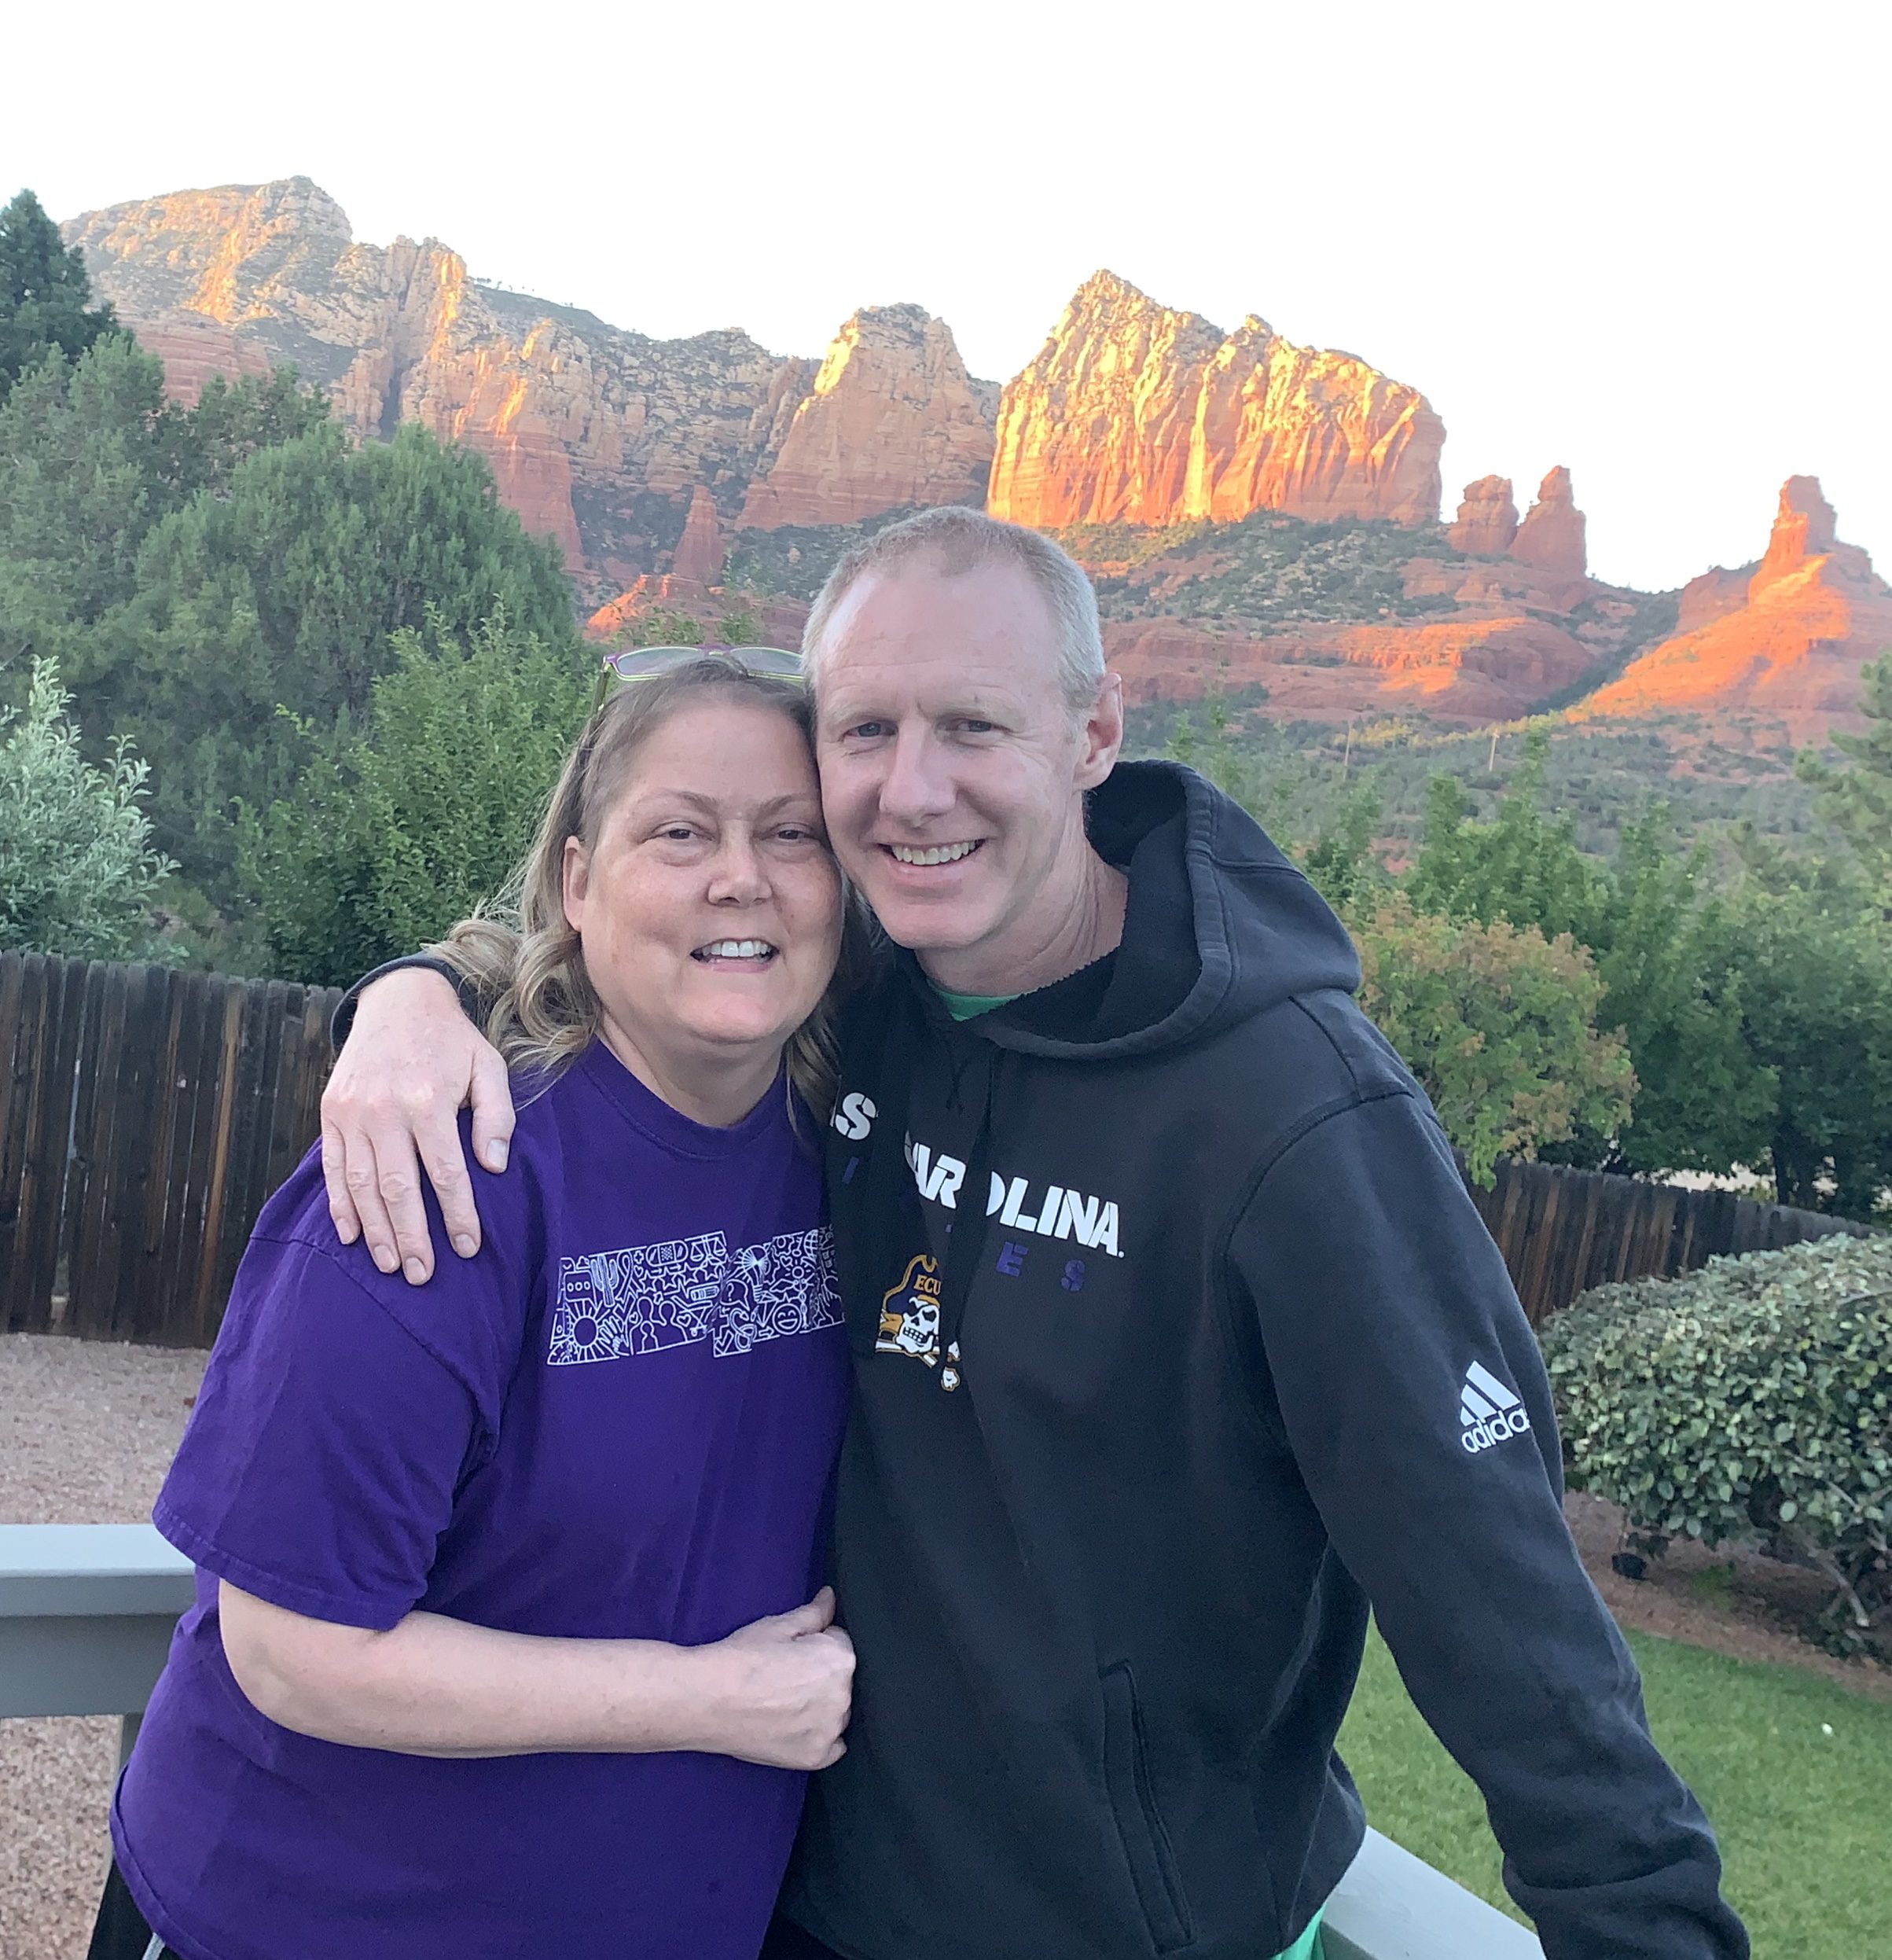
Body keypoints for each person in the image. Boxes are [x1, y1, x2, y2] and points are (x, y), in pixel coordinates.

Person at [325, 508, 1750, 1960]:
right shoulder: (850, 980)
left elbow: (1497, 1591)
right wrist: (413, 990)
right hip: (798, 1892)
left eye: (973, 725)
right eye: (865, 730)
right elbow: (633, 922)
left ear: (1093, 732)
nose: (912, 788)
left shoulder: (1296, 1113)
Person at [91, 658, 865, 1960]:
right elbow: (294, 1648)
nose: (743, 876)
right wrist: (710, 1697)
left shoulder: (854, 1148)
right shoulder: (440, 1171)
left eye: (793, 834)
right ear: (578, 880)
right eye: (681, 832)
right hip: (297, 1924)